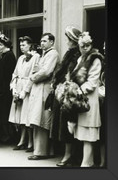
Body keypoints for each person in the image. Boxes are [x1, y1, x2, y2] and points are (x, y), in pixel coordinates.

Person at [48, 26, 82, 167]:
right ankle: (66, 154)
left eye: (68, 39)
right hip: (62, 92)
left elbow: (72, 74)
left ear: (73, 40)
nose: (66, 41)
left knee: (69, 123)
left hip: (70, 93)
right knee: (62, 123)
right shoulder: (69, 53)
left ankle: (69, 155)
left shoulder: (76, 55)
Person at [69, 32, 103, 167]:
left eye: (87, 45)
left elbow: (93, 82)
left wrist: (78, 90)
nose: (84, 47)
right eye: (82, 45)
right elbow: (74, 76)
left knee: (88, 134)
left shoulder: (96, 59)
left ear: (91, 45)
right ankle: (87, 162)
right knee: (82, 134)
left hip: (88, 101)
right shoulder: (80, 59)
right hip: (79, 100)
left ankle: (86, 164)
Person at [27, 33, 60, 160]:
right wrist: (37, 71)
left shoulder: (52, 54)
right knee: (38, 120)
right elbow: (39, 69)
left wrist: (33, 76)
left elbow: (46, 72)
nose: (42, 43)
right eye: (41, 41)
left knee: (42, 121)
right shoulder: (43, 54)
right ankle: (42, 150)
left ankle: (41, 152)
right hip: (39, 89)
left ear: (52, 42)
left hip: (44, 90)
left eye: (45, 41)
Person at [9, 36, 40, 152]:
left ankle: (30, 142)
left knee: (27, 116)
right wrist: (14, 89)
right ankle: (22, 140)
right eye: (20, 45)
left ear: (30, 45)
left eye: (24, 45)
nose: (21, 47)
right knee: (20, 116)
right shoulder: (21, 58)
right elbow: (15, 74)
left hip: (28, 89)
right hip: (19, 86)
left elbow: (33, 76)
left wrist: (24, 92)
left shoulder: (36, 57)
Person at [0, 34, 17, 145]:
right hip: (5, 87)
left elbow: (6, 74)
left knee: (5, 112)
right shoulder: (6, 55)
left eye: (0, 45)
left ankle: (8, 136)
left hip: (6, 88)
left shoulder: (8, 56)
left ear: (5, 45)